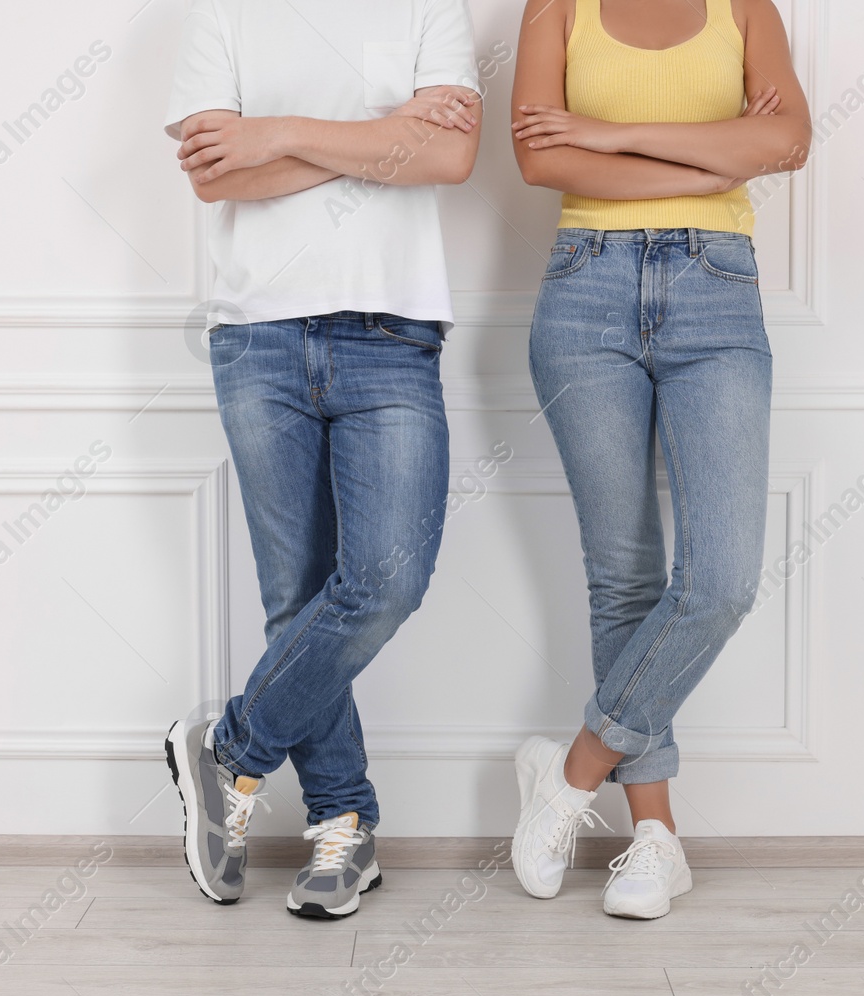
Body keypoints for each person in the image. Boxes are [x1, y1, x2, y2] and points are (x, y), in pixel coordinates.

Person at [161, 0, 483, 919]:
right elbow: (218, 179)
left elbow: (449, 156)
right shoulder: (224, 14)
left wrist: (279, 133)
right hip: (257, 335)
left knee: (385, 580)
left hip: (391, 331)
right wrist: (383, 138)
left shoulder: (433, 9)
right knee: (297, 598)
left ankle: (228, 753)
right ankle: (342, 826)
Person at [506, 0, 810, 918]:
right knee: (626, 578)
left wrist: (612, 132)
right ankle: (654, 836)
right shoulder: (554, 10)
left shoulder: (745, 9)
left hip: (717, 292)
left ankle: (569, 773)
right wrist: (715, 146)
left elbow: (788, 141)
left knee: (719, 579)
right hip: (583, 290)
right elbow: (538, 158)